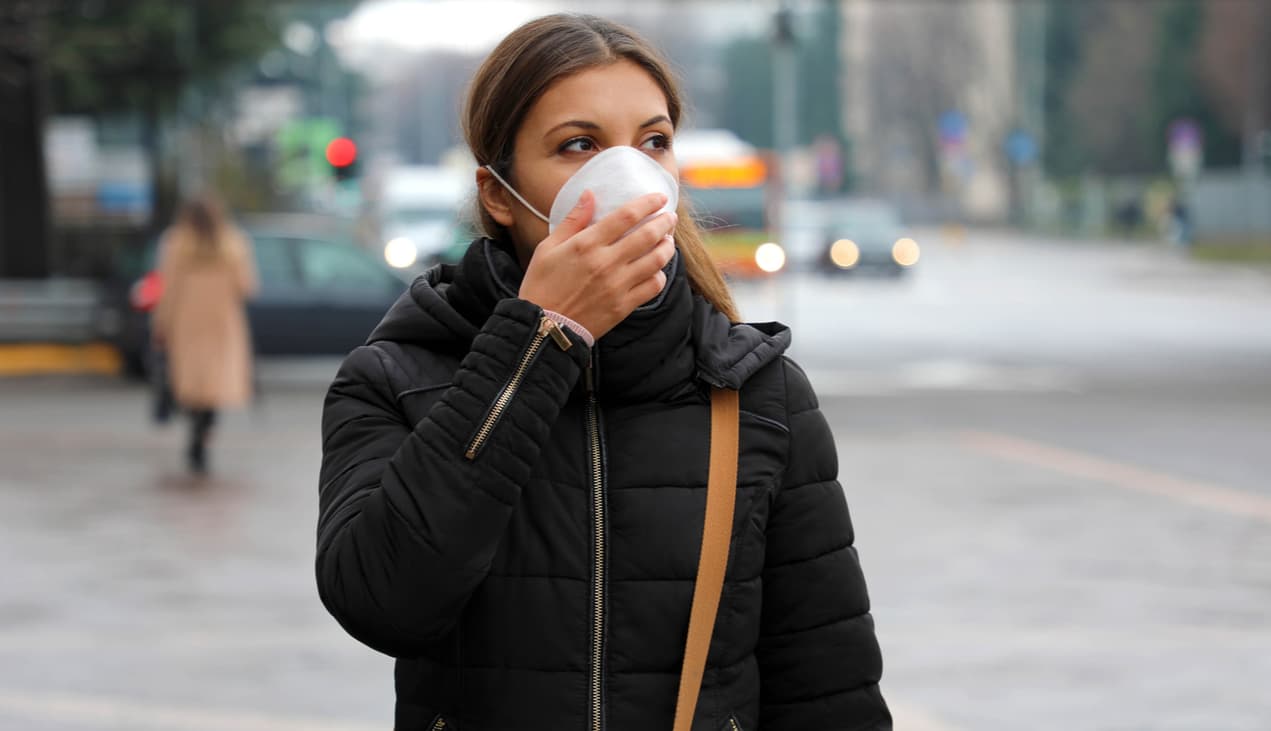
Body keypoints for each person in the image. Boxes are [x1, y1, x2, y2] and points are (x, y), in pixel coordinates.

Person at [317, 14, 889, 731]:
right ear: (500, 193)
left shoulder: (758, 392)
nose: (630, 175)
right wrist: (537, 342)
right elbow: (383, 600)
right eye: (579, 145)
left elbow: (829, 690)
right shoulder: (395, 377)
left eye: (654, 142)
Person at [151, 194, 258, 474]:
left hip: (187, 322)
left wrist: (161, 323)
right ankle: (204, 434)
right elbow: (247, 287)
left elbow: (168, 289)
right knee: (214, 386)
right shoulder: (234, 243)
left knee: (192, 384)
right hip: (223, 323)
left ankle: (196, 430)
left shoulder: (175, 243)